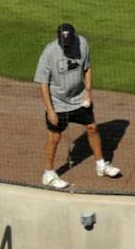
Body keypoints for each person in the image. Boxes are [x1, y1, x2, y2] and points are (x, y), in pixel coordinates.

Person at [36, 21, 123, 188]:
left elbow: (87, 68)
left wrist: (88, 91)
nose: (67, 47)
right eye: (64, 44)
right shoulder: (49, 52)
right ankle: (48, 174)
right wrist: (50, 110)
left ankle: (101, 165)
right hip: (58, 102)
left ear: (74, 38)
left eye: (69, 43)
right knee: (54, 138)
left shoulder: (82, 43)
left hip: (78, 98)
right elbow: (43, 84)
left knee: (92, 127)